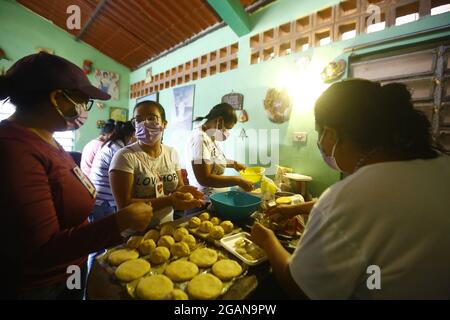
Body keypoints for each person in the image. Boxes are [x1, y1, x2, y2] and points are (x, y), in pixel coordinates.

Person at [251, 79, 450, 299]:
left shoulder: (348, 196)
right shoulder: (441, 165)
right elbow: (369, 211)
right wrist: (296, 209)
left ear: (331, 134)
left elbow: (299, 288)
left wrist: (268, 241)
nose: (322, 145)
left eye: (320, 135)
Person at [0, 52, 153, 299]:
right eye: (83, 100)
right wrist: (119, 221)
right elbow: (42, 250)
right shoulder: (14, 150)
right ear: (58, 98)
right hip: (41, 286)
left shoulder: (47, 137)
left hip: (69, 270)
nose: (85, 109)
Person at [109, 100, 204, 226]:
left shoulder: (172, 153)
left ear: (164, 124)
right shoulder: (124, 156)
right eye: (138, 120)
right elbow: (124, 205)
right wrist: (169, 201)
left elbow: (177, 187)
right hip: (135, 232)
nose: (144, 123)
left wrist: (183, 192)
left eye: (151, 118)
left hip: (167, 227)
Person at [185, 103, 253, 196]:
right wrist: (238, 180)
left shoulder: (210, 136)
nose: (227, 133)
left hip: (216, 198)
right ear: (219, 121)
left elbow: (213, 160)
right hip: (203, 202)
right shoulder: (200, 138)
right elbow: (205, 178)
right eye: (227, 129)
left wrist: (234, 164)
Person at [89, 121, 135, 221]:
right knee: (104, 234)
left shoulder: (111, 144)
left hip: (99, 198)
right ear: (131, 135)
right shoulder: (118, 150)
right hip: (104, 202)